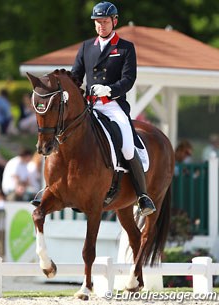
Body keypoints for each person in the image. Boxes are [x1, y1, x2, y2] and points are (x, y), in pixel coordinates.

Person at [71, 1, 155, 216]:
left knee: (127, 147)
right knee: (63, 133)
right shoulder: (86, 47)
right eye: (97, 22)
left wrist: (108, 90)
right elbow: (75, 77)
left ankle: (142, 195)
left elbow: (129, 79)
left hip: (112, 105)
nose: (101, 25)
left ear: (114, 21)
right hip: (89, 106)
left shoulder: (125, 47)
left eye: (105, 21)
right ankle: (51, 187)